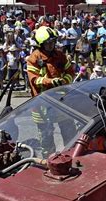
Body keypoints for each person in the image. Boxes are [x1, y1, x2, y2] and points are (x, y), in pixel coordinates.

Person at [26, 26, 76, 155]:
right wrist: (50, 81)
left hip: (61, 102)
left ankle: (71, 155)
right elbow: (34, 80)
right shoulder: (34, 58)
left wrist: (64, 80)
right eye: (48, 43)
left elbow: (70, 71)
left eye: (52, 42)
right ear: (41, 44)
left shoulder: (59, 55)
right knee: (46, 136)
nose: (51, 45)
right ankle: (49, 160)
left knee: (69, 132)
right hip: (41, 105)